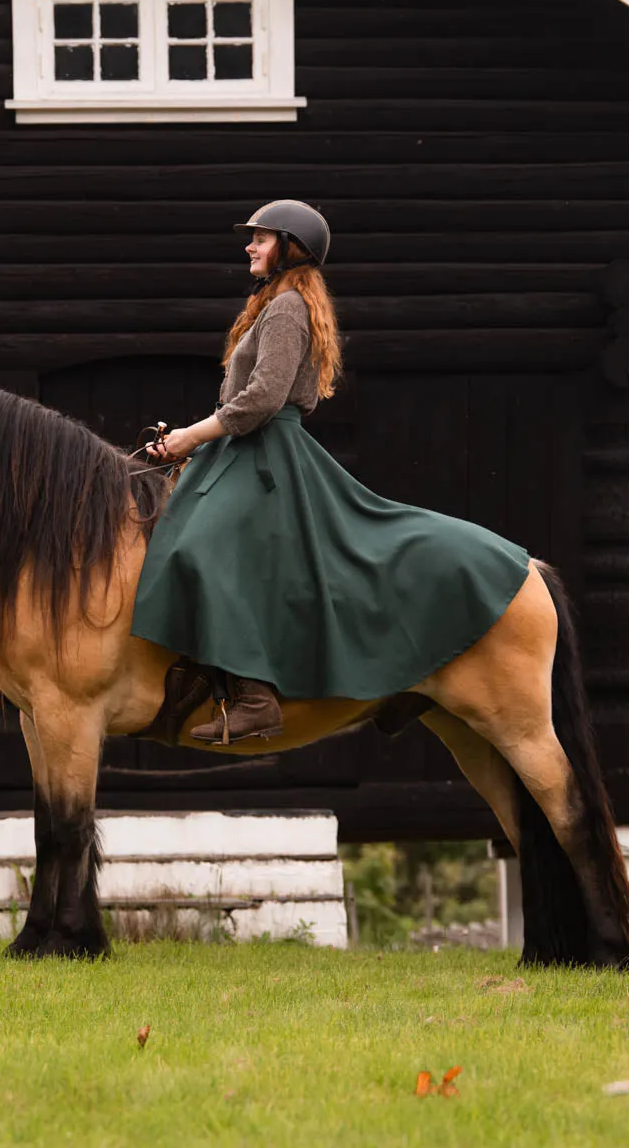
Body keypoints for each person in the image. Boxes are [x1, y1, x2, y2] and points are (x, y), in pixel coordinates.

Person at [129, 200, 531, 743]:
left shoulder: (289, 306)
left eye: (263, 238)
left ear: (290, 249)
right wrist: (186, 448)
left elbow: (263, 399)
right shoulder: (271, 304)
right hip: (242, 452)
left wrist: (191, 435)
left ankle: (254, 696)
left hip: (266, 453)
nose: (250, 246)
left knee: (197, 548)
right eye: (253, 238)